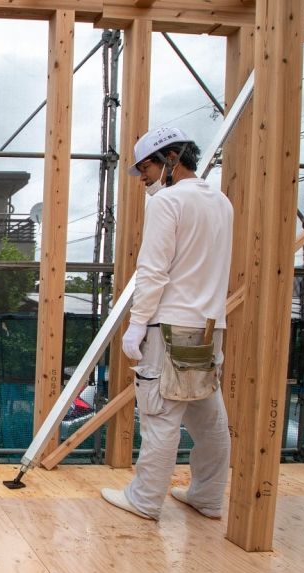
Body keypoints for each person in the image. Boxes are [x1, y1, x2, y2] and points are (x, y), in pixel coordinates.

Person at [101, 127, 233, 521]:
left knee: (160, 417)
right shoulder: (221, 202)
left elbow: (153, 271)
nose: (142, 178)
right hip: (210, 328)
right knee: (209, 420)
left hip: (169, 329)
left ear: (171, 158)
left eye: (146, 168)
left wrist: (137, 324)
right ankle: (207, 498)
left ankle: (144, 500)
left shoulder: (168, 203)